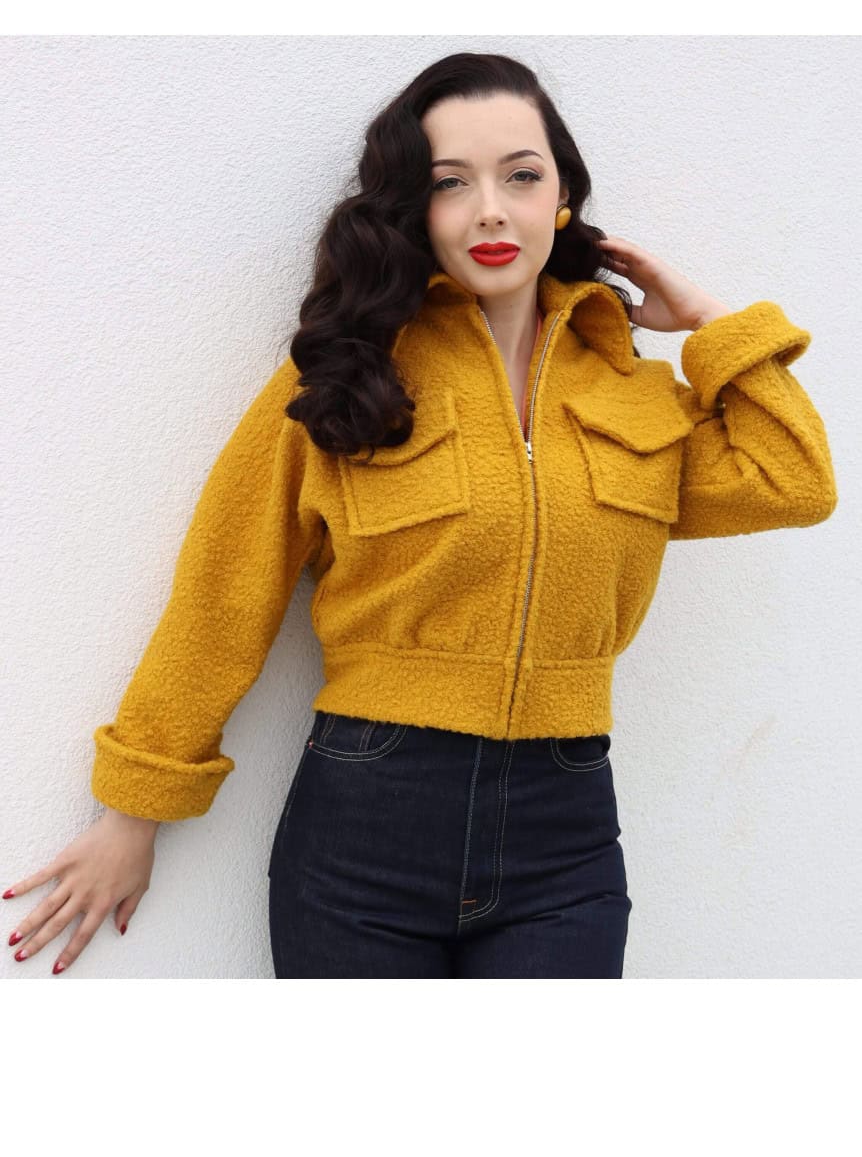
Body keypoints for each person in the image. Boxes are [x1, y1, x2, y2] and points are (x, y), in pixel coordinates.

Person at [3, 52, 838, 978]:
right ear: (414, 207)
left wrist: (713, 322)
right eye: (451, 183)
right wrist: (135, 810)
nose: (491, 210)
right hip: (366, 822)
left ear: (563, 196)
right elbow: (225, 591)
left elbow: (793, 480)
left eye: (521, 176)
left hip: (565, 834)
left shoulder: (632, 395)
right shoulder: (347, 375)